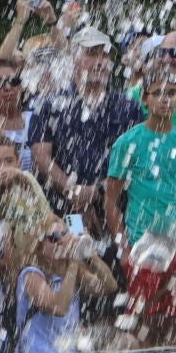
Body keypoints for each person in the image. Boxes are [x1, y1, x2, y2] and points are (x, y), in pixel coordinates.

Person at [106, 59, 176, 348]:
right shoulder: (128, 142)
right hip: (143, 243)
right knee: (144, 322)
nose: (166, 99)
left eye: (172, 92)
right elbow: (111, 199)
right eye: (159, 92)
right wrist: (123, 246)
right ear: (145, 98)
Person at [28, 26, 141, 232]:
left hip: (116, 208)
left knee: (112, 260)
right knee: (74, 257)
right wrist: (73, 192)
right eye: (91, 54)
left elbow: (136, 160)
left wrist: (96, 192)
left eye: (104, 55)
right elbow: (41, 157)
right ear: (73, 58)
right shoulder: (49, 104)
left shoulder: (127, 107)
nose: (99, 62)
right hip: (65, 209)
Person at [14, 218, 117, 353]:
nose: (62, 241)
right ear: (40, 245)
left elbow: (109, 286)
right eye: (54, 237)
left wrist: (90, 254)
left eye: (65, 234)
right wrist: (73, 263)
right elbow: (59, 308)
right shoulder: (31, 274)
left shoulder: (74, 272)